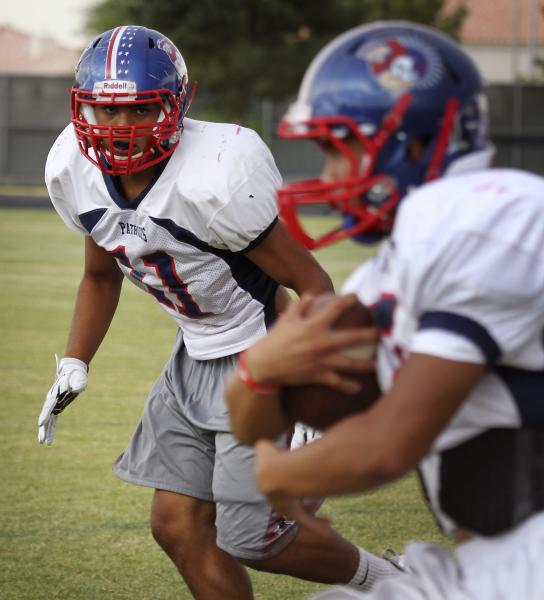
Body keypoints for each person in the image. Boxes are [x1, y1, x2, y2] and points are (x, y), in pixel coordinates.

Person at [37, 25, 402, 599]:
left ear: (179, 103)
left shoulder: (215, 176)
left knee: (257, 538)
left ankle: (401, 583)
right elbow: (100, 271)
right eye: (103, 111)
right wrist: (75, 361)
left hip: (265, 352)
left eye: (137, 110)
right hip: (194, 351)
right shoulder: (74, 170)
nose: (118, 128)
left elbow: (311, 282)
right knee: (176, 526)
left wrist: (311, 385)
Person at [226, 21, 544, 599]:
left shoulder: (491, 215)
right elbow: (256, 420)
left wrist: (278, 475)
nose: (326, 178)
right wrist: (260, 372)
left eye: (337, 150)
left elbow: (390, 444)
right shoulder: (395, 263)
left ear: (415, 140)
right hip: (496, 556)